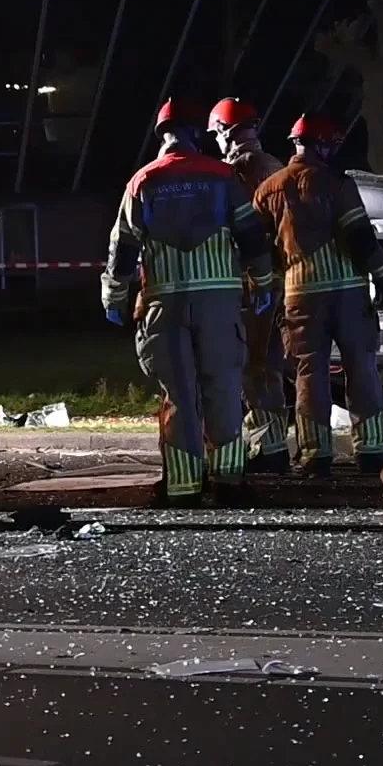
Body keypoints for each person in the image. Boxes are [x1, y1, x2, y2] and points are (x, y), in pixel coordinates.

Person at [102, 98, 277, 507]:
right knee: (223, 387)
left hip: (165, 307)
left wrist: (114, 297)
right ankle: (229, 482)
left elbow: (121, 252)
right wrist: (264, 284)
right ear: (197, 134)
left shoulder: (141, 182)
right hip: (218, 305)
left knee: (180, 393)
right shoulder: (223, 177)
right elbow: (251, 237)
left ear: (161, 135)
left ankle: (182, 487)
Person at [251, 114, 383, 477]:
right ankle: (372, 451)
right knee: (360, 366)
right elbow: (360, 237)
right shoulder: (336, 183)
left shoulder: (267, 190)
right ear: (322, 144)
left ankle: (316, 454)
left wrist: (266, 288)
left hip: (299, 295)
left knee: (308, 372)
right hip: (347, 292)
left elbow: (258, 250)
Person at [208, 96, 290, 473]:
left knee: (250, 366)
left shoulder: (239, 170)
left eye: (217, 135)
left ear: (225, 132)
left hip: (255, 282)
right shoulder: (275, 165)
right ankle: (273, 443)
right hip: (279, 281)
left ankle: (268, 449)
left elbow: (244, 231)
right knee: (268, 364)